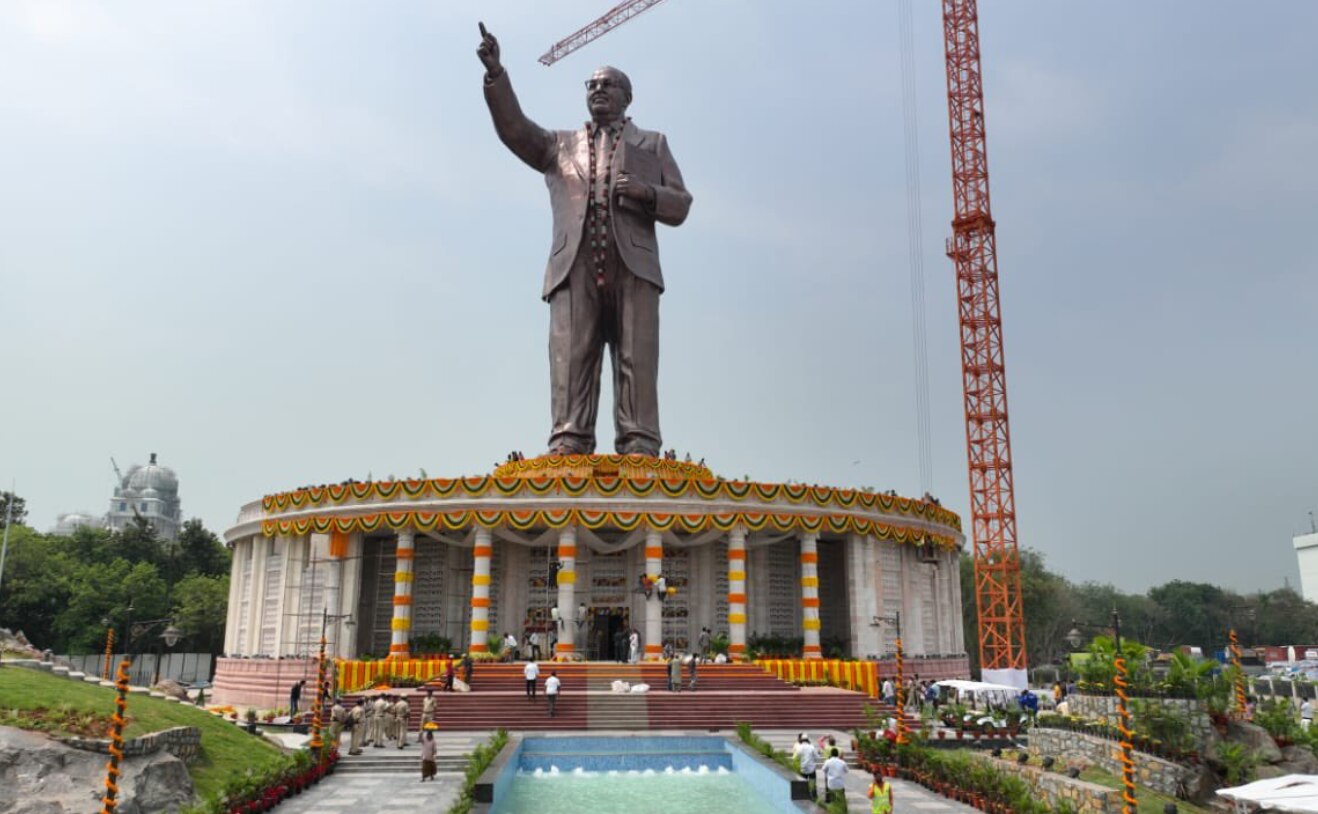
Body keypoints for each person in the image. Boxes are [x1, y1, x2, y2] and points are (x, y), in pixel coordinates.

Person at [477, 23, 693, 457]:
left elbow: (681, 204)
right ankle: (569, 440)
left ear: (626, 97)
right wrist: (496, 75)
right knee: (571, 361)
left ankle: (639, 444)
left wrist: (646, 193)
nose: (598, 90)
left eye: (608, 84)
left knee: (638, 362)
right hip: (573, 265)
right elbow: (515, 130)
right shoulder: (559, 146)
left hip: (634, 267)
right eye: (591, 84)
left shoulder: (652, 144)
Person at [793, 733, 818, 800]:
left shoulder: (799, 748)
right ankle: (813, 796)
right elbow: (817, 757)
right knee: (812, 782)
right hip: (811, 769)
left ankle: (804, 796)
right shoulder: (812, 747)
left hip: (803, 768)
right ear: (807, 740)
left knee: (803, 783)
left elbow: (796, 758)